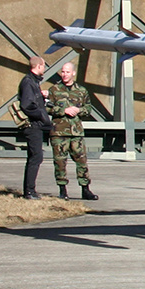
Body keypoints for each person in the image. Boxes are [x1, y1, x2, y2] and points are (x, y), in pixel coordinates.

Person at [47, 61, 95, 200]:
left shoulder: (81, 90)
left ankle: (85, 188)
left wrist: (79, 110)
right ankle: (62, 190)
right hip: (59, 132)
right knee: (60, 162)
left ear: (73, 73)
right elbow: (47, 107)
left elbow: (88, 109)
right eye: (63, 72)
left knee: (82, 161)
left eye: (67, 72)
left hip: (76, 132)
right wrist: (63, 110)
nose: (64, 74)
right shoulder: (54, 90)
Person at [17, 56, 52, 199]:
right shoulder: (28, 82)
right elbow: (27, 105)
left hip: (36, 124)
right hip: (33, 126)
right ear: (38, 66)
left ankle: (30, 190)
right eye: (43, 66)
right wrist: (41, 115)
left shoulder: (33, 82)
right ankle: (29, 191)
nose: (44, 69)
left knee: (35, 157)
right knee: (36, 157)